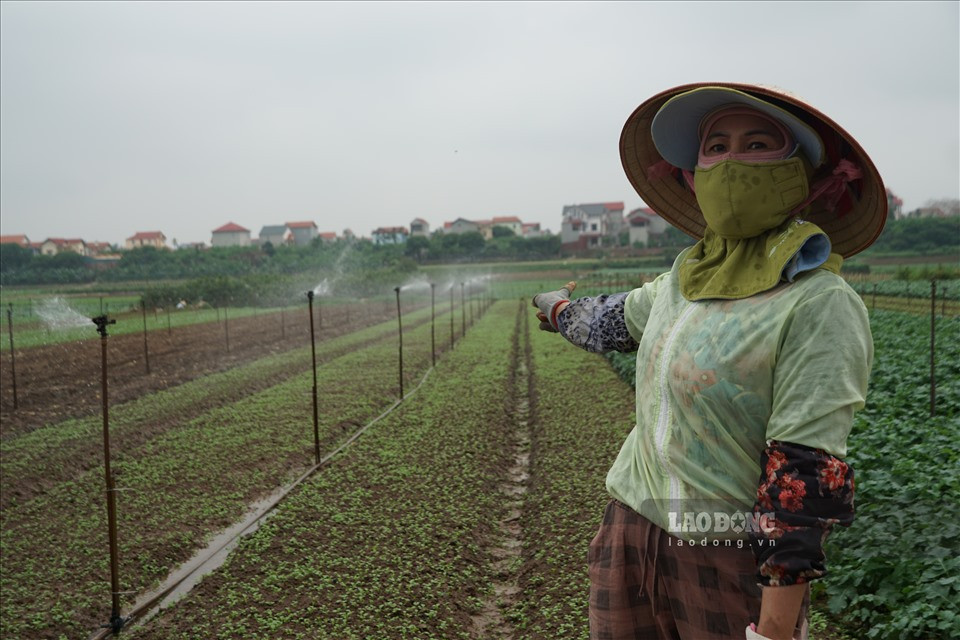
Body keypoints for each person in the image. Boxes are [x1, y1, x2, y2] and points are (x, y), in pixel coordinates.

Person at [533, 83, 886, 640]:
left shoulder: (819, 303)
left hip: (727, 554)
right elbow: (611, 321)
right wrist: (557, 310)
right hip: (630, 531)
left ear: (802, 176)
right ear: (693, 176)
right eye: (716, 147)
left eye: (757, 144)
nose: (731, 162)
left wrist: (773, 629)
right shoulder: (683, 280)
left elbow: (803, 474)